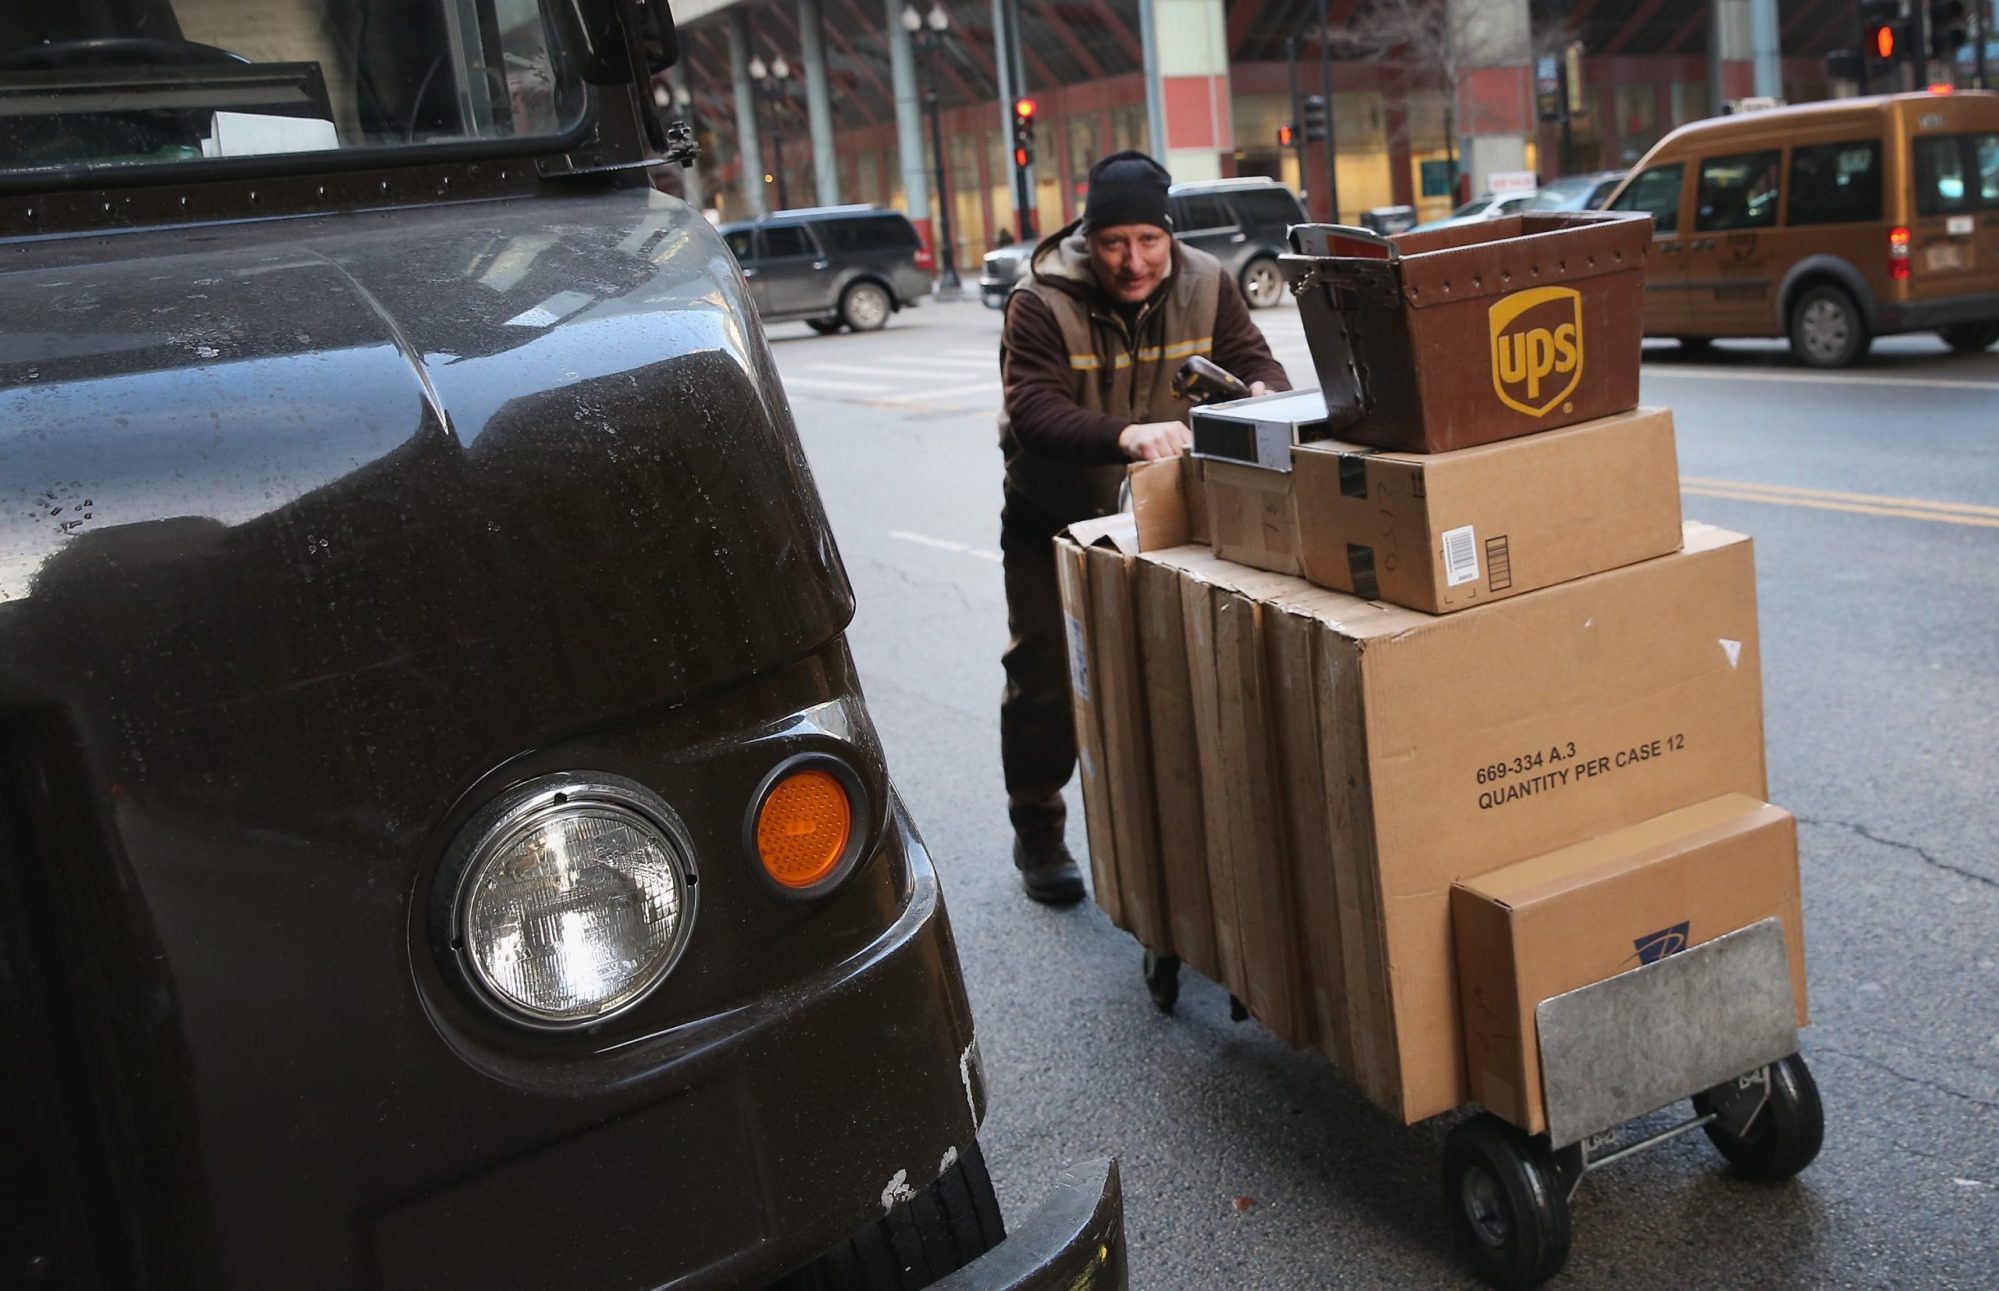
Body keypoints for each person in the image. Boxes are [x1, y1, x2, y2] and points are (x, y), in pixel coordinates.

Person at [997, 151, 1291, 904]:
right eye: (1112, 243)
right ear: (1087, 240)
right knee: (1047, 684)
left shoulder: (1207, 283)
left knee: (1169, 680)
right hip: (1054, 520)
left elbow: (1260, 364)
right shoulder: (1040, 301)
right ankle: (1038, 828)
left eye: (1149, 242)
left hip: (1164, 522)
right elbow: (1031, 410)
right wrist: (1127, 434)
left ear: (1170, 235)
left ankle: (1172, 838)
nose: (1133, 262)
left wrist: (1260, 393)